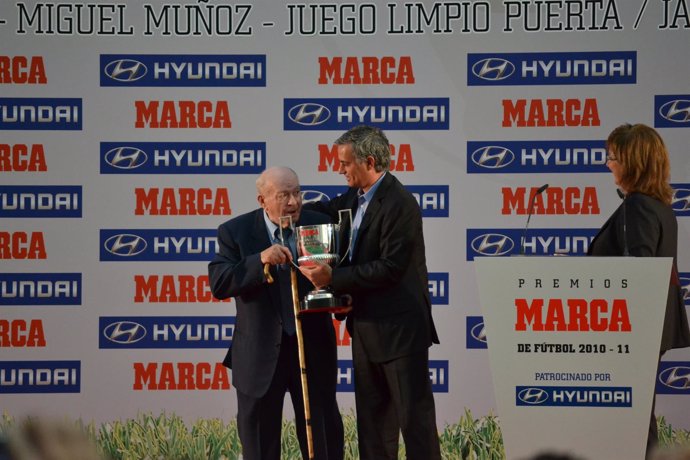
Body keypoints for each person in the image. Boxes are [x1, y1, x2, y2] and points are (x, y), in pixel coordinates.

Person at [299, 125, 441, 459]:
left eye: (345, 163)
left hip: (401, 334)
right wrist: (291, 208)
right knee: (373, 431)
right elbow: (324, 209)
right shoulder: (353, 198)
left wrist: (334, 277)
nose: (339, 169)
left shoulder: (399, 203)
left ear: (370, 161)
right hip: (365, 331)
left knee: (415, 428)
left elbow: (390, 268)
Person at [208, 166, 344, 460]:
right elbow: (219, 283)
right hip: (258, 355)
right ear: (262, 200)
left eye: (297, 192)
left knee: (322, 439)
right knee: (259, 443)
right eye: (284, 195)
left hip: (312, 349)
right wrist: (259, 260)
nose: (294, 202)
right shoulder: (235, 232)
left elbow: (344, 276)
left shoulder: (320, 224)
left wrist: (339, 290)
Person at [587, 123, 690, 457]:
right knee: (639, 415)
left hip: (632, 332)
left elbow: (636, 274)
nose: (608, 164)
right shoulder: (660, 206)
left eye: (613, 157)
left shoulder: (638, 206)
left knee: (633, 419)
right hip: (648, 329)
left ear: (632, 162)